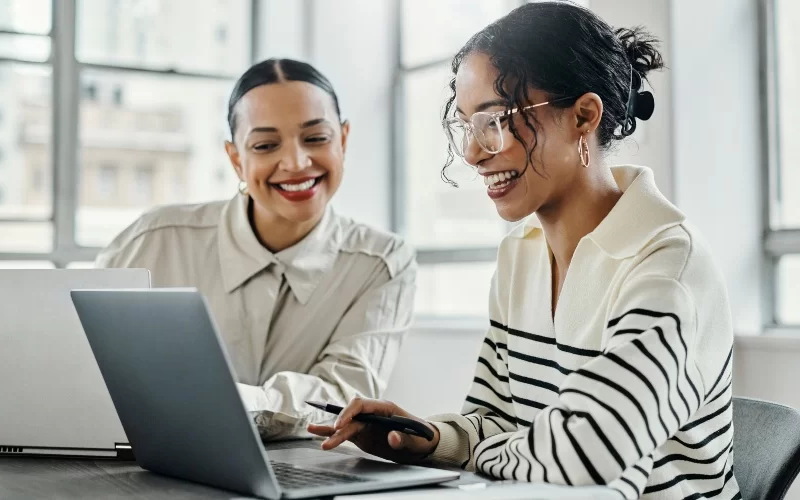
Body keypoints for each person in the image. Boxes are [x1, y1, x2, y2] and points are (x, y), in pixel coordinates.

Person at [309, 3, 739, 499]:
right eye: (468, 125)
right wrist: (431, 439)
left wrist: (477, 453)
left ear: (583, 115)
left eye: (495, 120)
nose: (472, 153)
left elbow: (587, 454)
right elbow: (495, 419)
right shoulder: (521, 255)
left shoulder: (668, 267)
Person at [96, 58, 417, 440]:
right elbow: (83, 362)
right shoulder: (153, 241)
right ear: (236, 159)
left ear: (343, 140)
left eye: (316, 138)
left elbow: (342, 398)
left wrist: (217, 402)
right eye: (265, 145)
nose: (297, 163)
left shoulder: (382, 263)